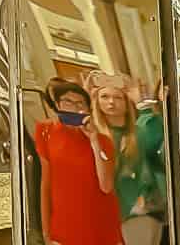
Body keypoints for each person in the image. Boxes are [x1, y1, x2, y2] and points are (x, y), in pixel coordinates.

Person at [35, 78, 122, 245]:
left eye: (80, 103)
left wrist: (94, 141)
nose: (74, 107)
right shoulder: (45, 132)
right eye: (68, 101)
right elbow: (45, 185)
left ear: (88, 109)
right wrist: (46, 233)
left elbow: (106, 186)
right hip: (64, 229)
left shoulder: (103, 141)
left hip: (101, 227)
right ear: (58, 105)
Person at [89, 73, 166, 245]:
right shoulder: (95, 137)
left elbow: (157, 136)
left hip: (145, 209)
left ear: (126, 102)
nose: (111, 102)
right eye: (105, 97)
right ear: (97, 101)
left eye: (118, 97)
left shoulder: (139, 132)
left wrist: (143, 105)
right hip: (115, 213)